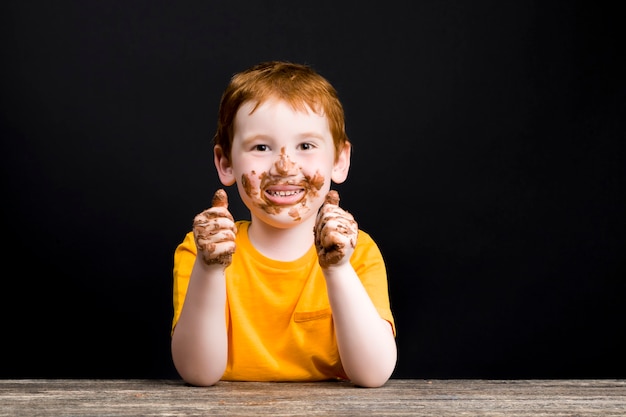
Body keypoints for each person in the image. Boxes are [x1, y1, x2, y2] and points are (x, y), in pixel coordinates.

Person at [171, 61, 397, 388]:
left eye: (305, 146)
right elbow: (198, 373)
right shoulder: (201, 250)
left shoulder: (359, 253)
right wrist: (209, 270)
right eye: (261, 147)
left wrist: (337, 269)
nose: (284, 166)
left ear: (339, 160)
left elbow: (373, 374)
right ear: (226, 163)